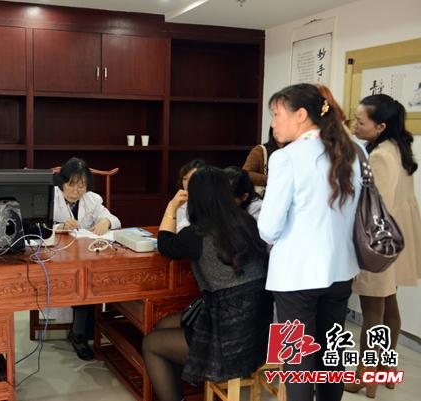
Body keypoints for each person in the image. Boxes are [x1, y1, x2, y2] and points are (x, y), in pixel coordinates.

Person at [258, 83, 363, 401]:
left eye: (277, 114)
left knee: (297, 361)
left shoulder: (286, 158)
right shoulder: (353, 152)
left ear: (301, 115)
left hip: (296, 276)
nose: (273, 123)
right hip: (341, 270)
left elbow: (268, 228)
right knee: (332, 352)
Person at [142, 166, 272, 401]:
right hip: (259, 329)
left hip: (229, 337)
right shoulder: (245, 221)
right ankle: (184, 386)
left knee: (151, 344)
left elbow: (165, 244)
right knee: (163, 325)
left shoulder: (198, 233)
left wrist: (171, 206)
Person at [346, 94, 421, 397]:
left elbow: (375, 207)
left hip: (379, 242)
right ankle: (386, 369)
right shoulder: (398, 148)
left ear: (380, 126)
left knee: (372, 311)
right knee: (389, 303)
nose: (354, 125)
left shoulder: (379, 156)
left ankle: (365, 376)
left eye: (360, 121)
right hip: (399, 236)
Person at [52, 157, 121, 360]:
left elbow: (115, 220)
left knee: (88, 279)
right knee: (80, 280)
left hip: (85, 256)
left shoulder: (92, 199)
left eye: (81, 185)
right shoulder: (51, 196)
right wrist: (60, 227)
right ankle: (80, 333)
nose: (76, 190)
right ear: (62, 182)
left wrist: (106, 221)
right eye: (71, 184)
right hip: (58, 257)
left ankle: (81, 332)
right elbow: (36, 225)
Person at [242, 127, 284, 195]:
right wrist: (271, 179)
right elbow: (246, 174)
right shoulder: (260, 151)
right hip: (265, 196)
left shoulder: (294, 151)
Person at [175, 159, 205, 232]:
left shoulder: (208, 203)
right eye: (185, 179)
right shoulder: (179, 201)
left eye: (192, 178)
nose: (188, 183)